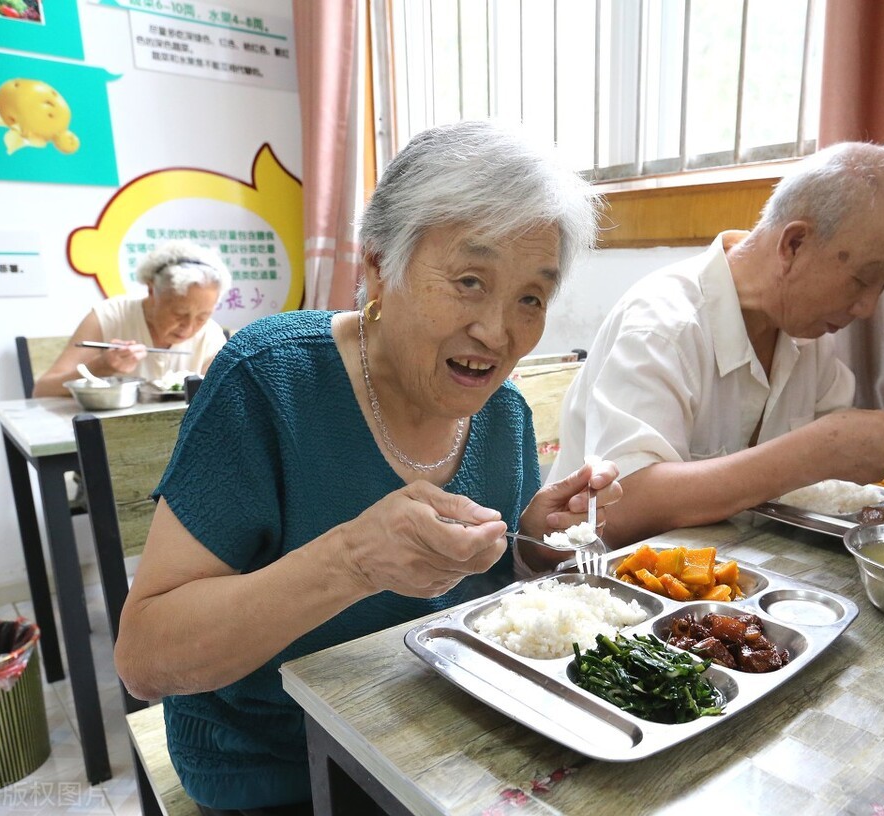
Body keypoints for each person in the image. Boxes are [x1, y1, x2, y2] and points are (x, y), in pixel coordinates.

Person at [114, 121, 617, 816]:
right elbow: (144, 658)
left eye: (531, 297)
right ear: (380, 263)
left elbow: (483, 601)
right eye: (470, 281)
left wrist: (534, 542)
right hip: (281, 766)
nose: (500, 332)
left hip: (449, 741)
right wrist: (353, 559)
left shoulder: (505, 415)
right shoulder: (270, 380)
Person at [550, 141, 884, 547]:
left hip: (734, 571)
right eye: (863, 279)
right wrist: (806, 454)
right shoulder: (662, 324)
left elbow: (843, 458)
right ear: (795, 243)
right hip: (599, 586)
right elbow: (620, 509)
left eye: (883, 287)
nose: (866, 308)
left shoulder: (806, 335)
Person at [32, 240, 230, 396]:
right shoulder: (109, 316)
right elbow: (42, 390)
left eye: (202, 317)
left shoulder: (210, 334)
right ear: (152, 291)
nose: (188, 328)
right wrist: (101, 367)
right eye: (179, 314)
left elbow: (224, 397)